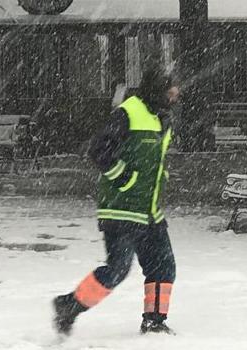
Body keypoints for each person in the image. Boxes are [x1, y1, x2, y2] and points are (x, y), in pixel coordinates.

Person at [52, 67, 180, 336]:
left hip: (149, 211)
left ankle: (154, 321)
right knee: (118, 269)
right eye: (171, 89)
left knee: (164, 266)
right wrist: (125, 179)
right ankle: (69, 306)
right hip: (121, 209)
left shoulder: (163, 118)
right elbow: (99, 149)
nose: (175, 94)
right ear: (158, 89)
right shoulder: (128, 112)